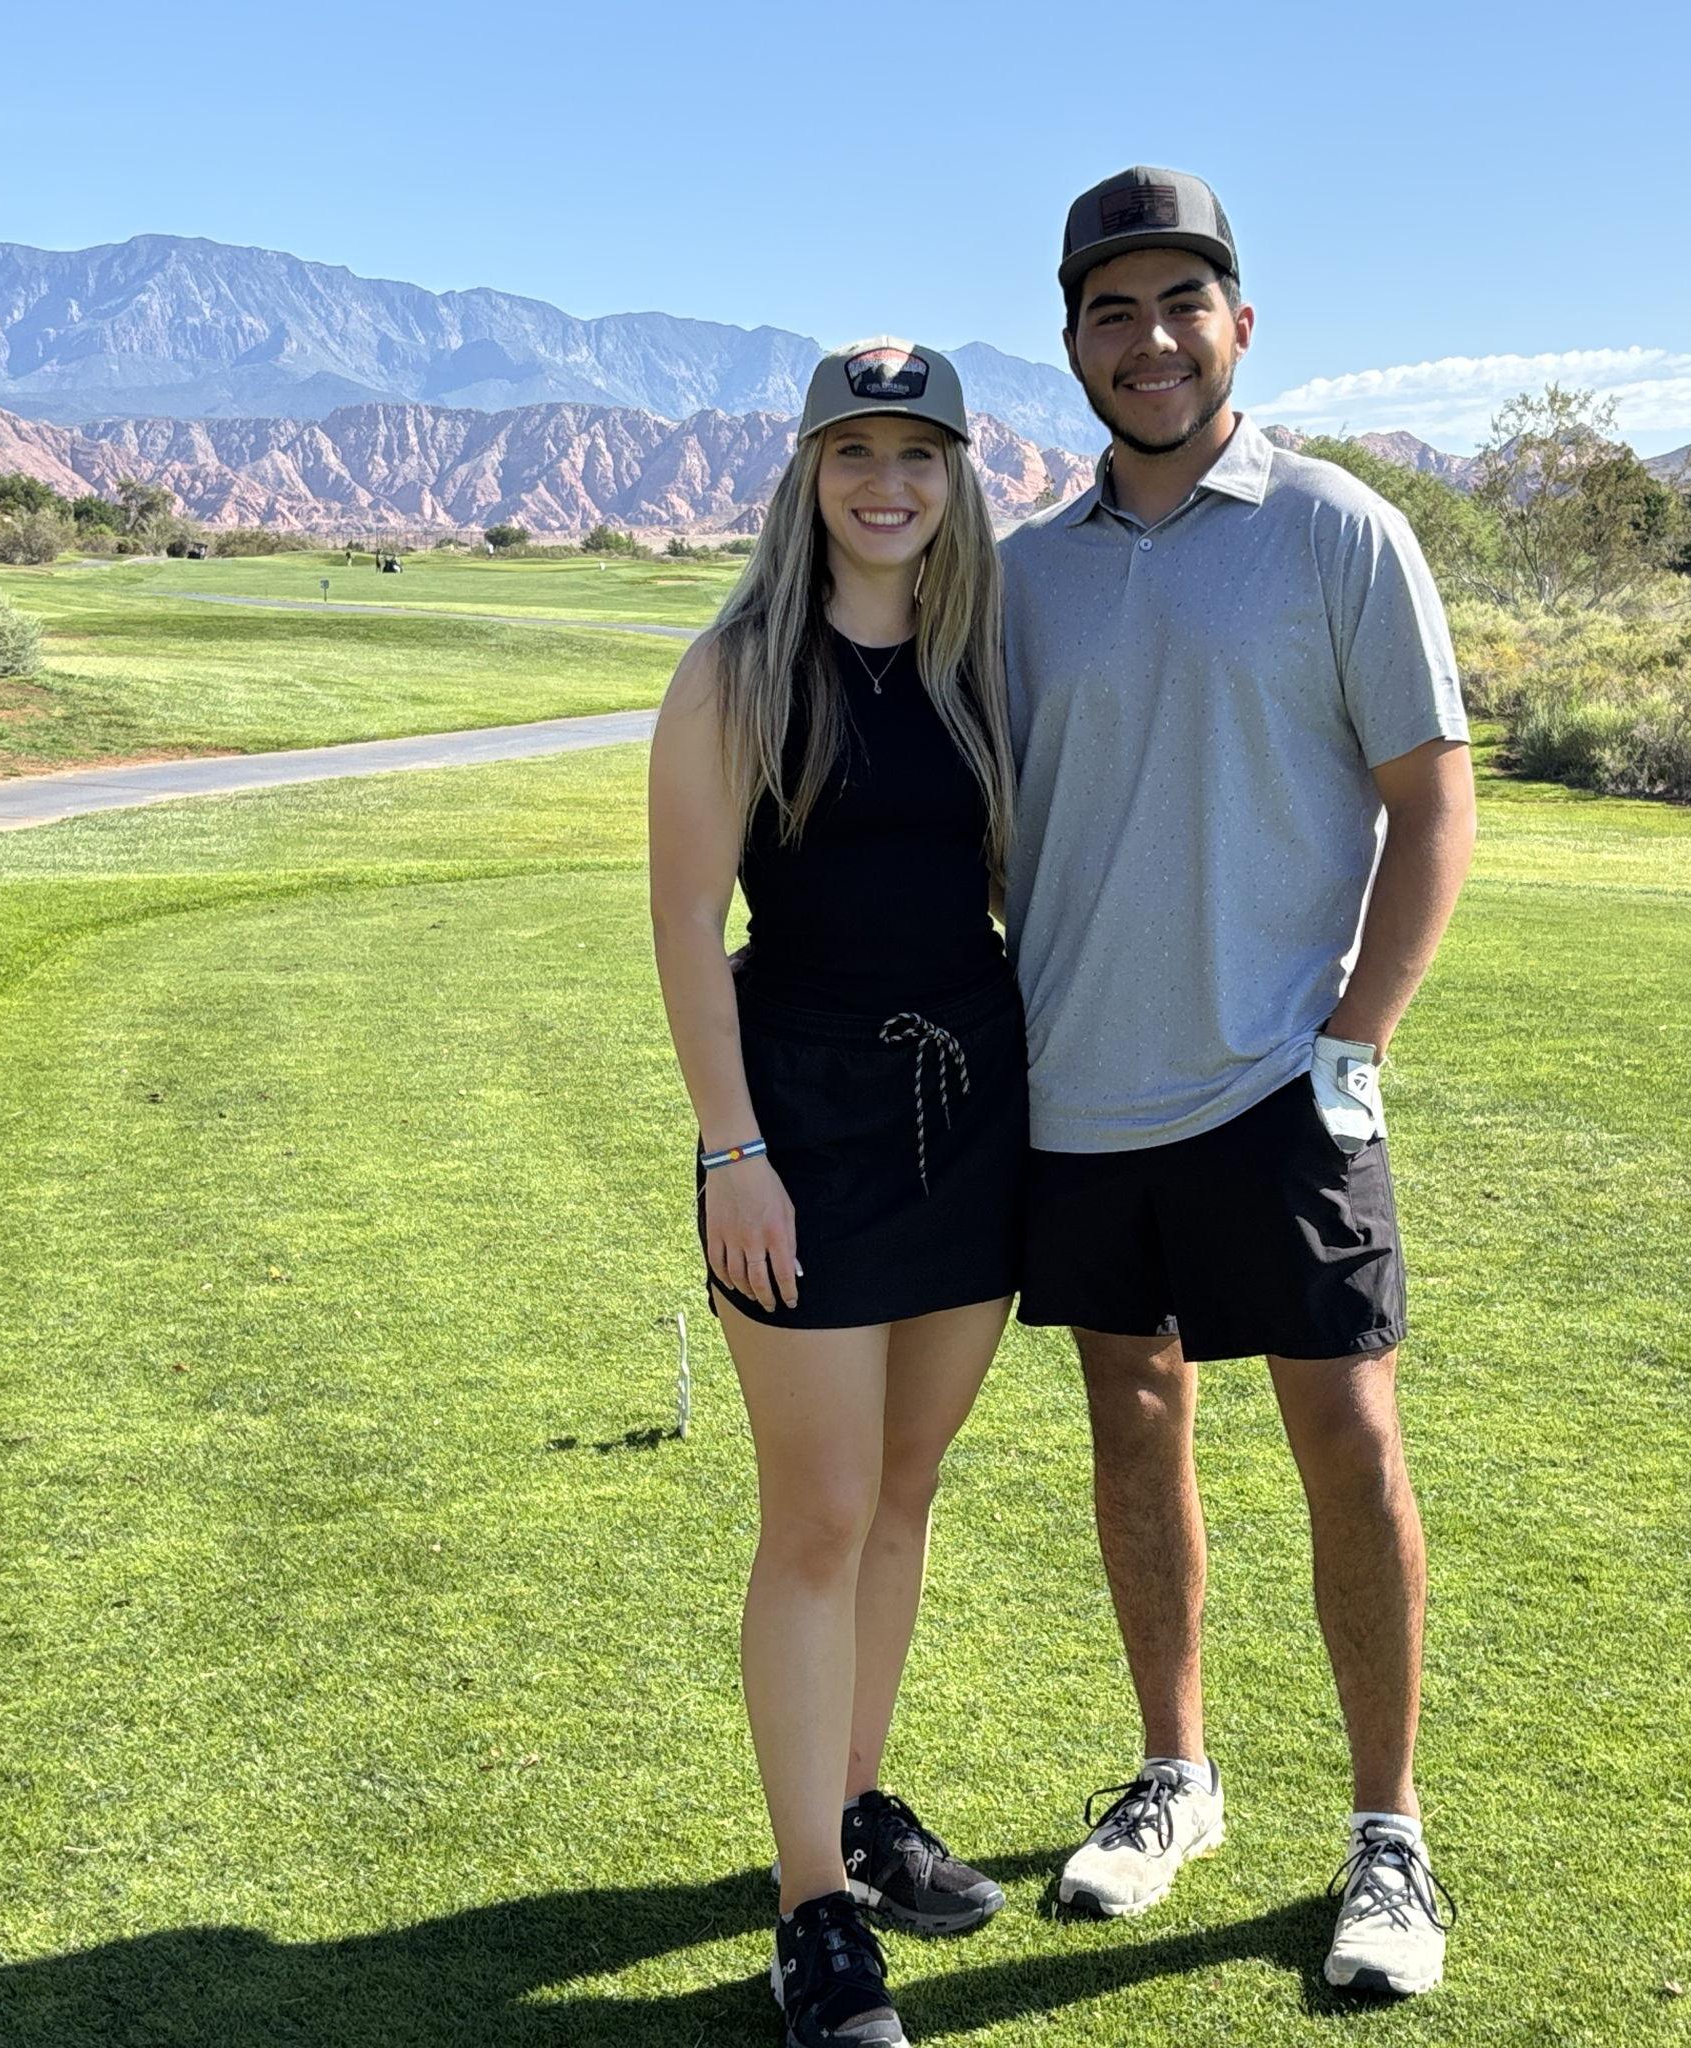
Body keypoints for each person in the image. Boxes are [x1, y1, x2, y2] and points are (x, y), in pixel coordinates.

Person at [1000, 168, 1478, 1998]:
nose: (1149, 339)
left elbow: (1434, 804)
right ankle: (1175, 1778)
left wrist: (1356, 1037)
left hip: (1282, 1084)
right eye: (1110, 311)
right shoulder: (1028, 571)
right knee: (1133, 1419)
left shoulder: (1341, 531)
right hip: (1081, 1088)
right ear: (1074, 347)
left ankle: (1388, 1839)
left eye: (1180, 301)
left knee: (1345, 1436)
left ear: (1241, 325)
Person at [647, 339, 1024, 2048]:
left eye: (921, 455)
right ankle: (814, 1912)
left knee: (901, 1495)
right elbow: (684, 933)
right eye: (856, 450)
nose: (890, 483)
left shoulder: (978, 663)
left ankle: (857, 1812)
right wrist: (736, 1151)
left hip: (972, 1122)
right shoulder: (736, 670)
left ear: (957, 479)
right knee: (812, 1517)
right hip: (799, 1130)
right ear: (807, 472)